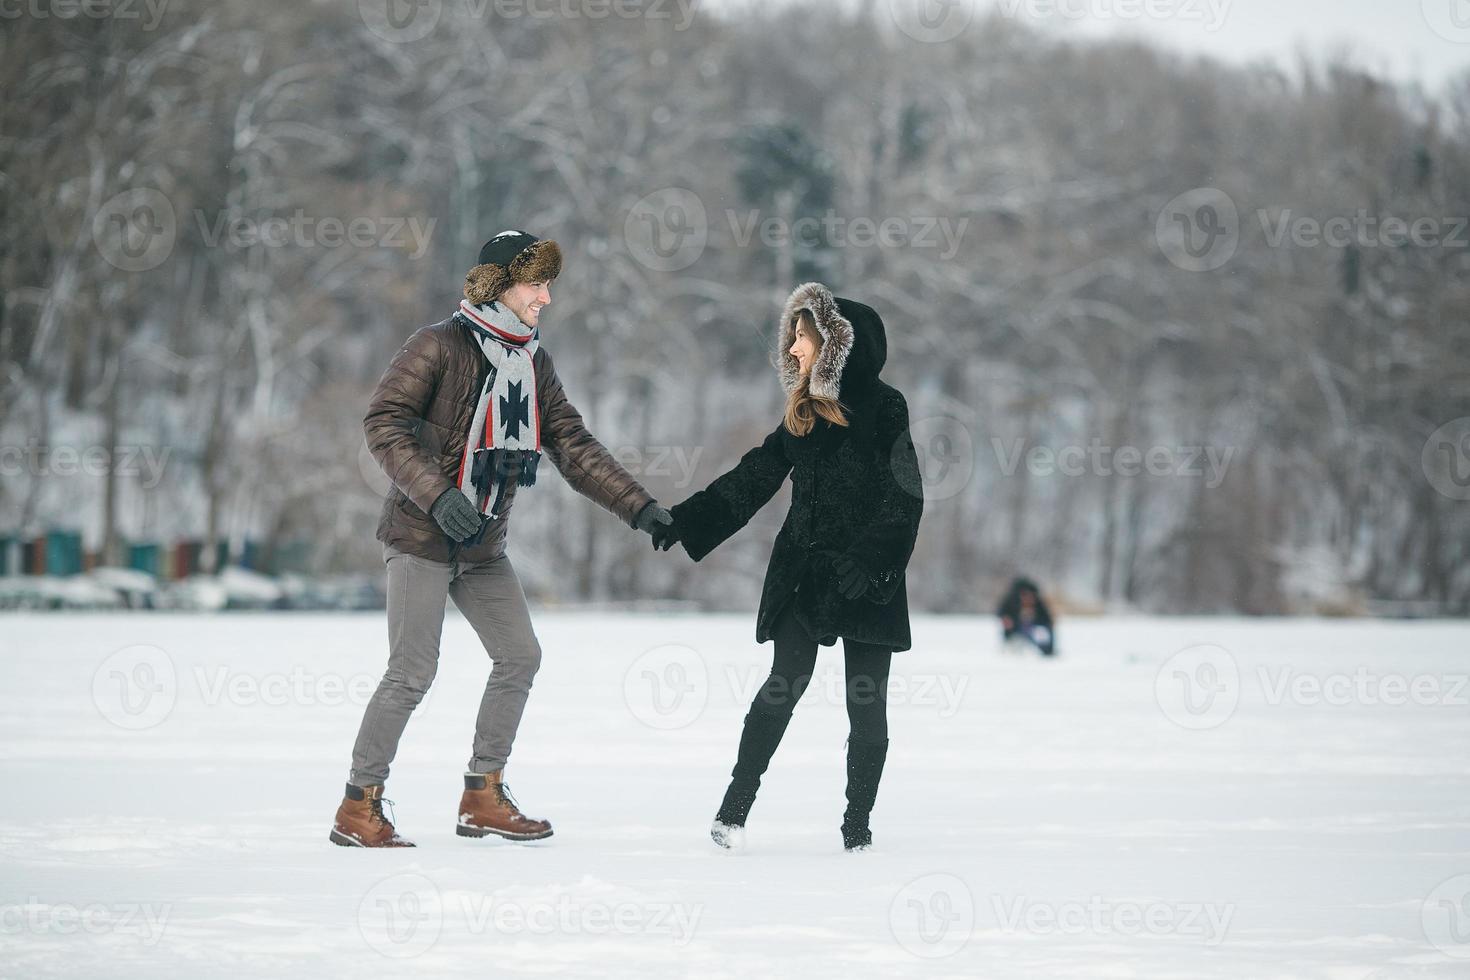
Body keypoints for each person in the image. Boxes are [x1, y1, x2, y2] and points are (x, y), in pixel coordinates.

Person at [330, 230, 674, 847]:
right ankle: (359, 805)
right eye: (535, 284)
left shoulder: (533, 362)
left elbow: (571, 443)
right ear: (499, 284)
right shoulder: (437, 344)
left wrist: (639, 507)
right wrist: (438, 495)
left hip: (483, 545)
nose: (546, 298)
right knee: (412, 672)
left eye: (548, 285)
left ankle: (481, 793)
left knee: (519, 656)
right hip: (421, 538)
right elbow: (383, 423)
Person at [651, 282, 923, 852]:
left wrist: (873, 561)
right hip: (805, 573)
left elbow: (906, 497)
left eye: (803, 336)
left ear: (836, 344)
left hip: (868, 578)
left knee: (866, 701)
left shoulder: (885, 407)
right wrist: (686, 521)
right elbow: (754, 477)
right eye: (794, 337)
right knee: (781, 687)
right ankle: (731, 814)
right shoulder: (803, 413)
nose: (794, 348)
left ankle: (857, 831)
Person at [997, 576, 1056, 656]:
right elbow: (1001, 612)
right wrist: (1006, 620)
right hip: (1016, 631)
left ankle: (1045, 650)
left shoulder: (1039, 605)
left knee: (1041, 633)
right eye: (1025, 595)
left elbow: (1048, 619)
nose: (1028, 598)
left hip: (1034, 631)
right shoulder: (1011, 603)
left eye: (1030, 596)